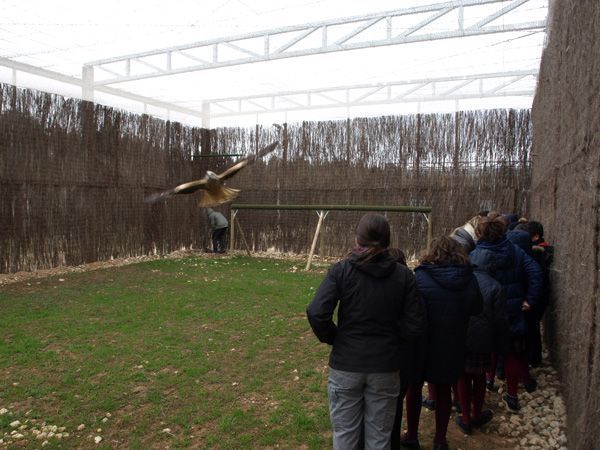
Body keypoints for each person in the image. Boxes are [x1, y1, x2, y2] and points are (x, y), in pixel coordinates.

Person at [307, 214, 425, 450]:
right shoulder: (347, 271)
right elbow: (414, 325)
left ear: (357, 238)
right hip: (381, 366)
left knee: (345, 438)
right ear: (388, 241)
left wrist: (337, 340)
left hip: (352, 366)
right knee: (379, 441)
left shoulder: (398, 276)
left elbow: (316, 312)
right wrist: (337, 339)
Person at [404, 236, 482, 450]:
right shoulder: (470, 278)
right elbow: (477, 308)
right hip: (452, 343)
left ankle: (412, 436)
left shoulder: (420, 276)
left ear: (433, 253)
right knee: (444, 390)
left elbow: (412, 310)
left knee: (414, 387)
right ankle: (439, 440)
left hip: (422, 343)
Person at [469, 217, 542, 412]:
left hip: (485, 311)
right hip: (513, 309)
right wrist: (530, 299)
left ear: (480, 233)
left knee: (489, 348)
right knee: (513, 353)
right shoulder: (515, 251)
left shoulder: (476, 254)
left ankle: (487, 382)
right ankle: (512, 396)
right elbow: (535, 270)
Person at [451, 232, 509, 434]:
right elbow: (501, 320)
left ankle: (465, 416)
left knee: (463, 377)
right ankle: (476, 414)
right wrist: (500, 343)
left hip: (462, 338)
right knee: (479, 379)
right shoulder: (496, 287)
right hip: (484, 342)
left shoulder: (461, 279)